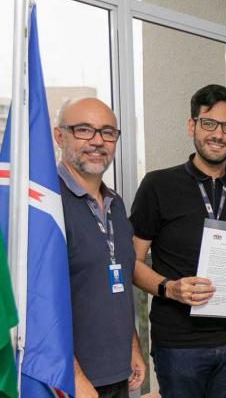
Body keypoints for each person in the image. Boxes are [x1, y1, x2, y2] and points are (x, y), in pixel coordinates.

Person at [129, 84, 226, 398]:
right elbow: (132, 263)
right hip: (179, 344)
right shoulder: (158, 185)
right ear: (191, 125)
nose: (218, 134)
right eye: (209, 123)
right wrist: (170, 288)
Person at [54, 98, 145, 398]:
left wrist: (132, 345)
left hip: (117, 373)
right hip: (72, 381)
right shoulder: (47, 206)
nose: (97, 141)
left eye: (107, 132)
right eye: (84, 130)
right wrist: (74, 377)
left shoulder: (115, 204)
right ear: (59, 136)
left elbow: (117, 284)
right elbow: (39, 303)